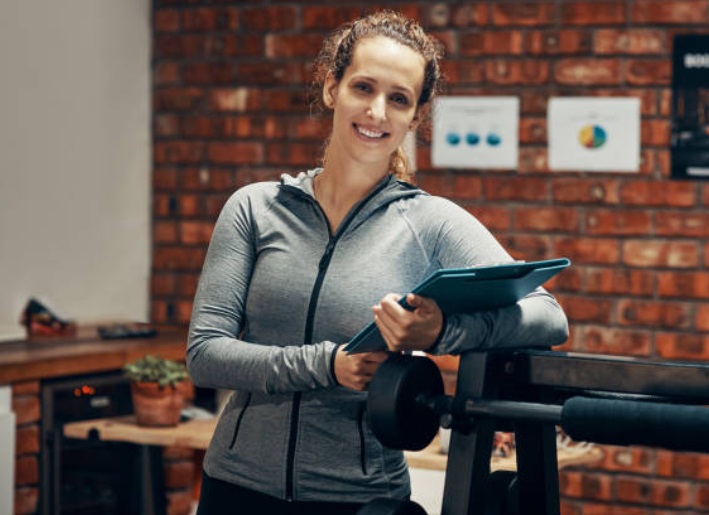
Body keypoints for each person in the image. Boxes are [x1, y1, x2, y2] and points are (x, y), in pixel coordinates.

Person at [187, 10, 568, 515]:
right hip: (234, 488)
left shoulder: (430, 221)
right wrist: (328, 365)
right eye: (363, 87)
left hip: (359, 499)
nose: (377, 112)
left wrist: (440, 333)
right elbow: (205, 353)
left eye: (398, 99)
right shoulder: (255, 208)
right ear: (331, 89)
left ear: (416, 116)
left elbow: (548, 315)